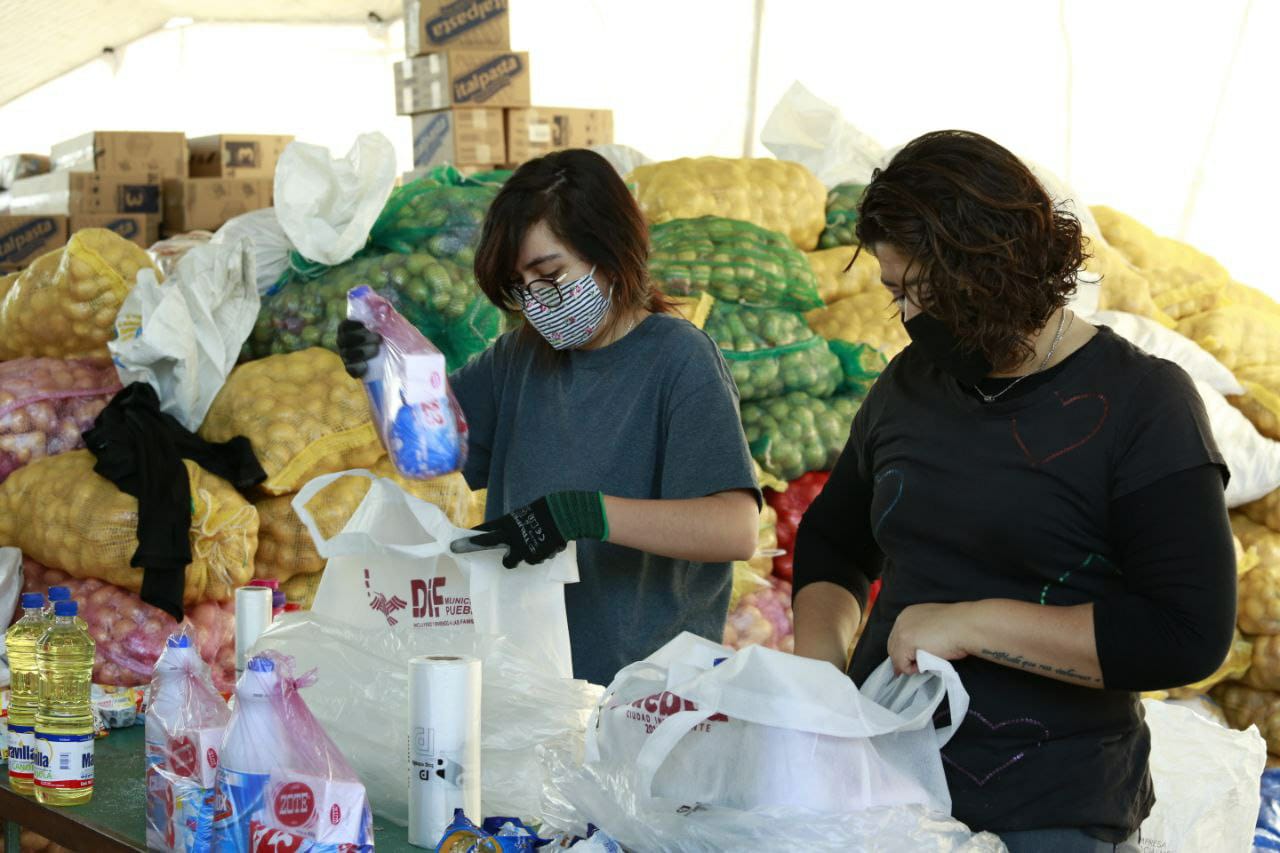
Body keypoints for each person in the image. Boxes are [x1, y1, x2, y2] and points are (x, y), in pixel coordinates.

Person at [791, 130, 1236, 852]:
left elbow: (1186, 634)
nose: (906, 317)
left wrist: (971, 624)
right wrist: (817, 675)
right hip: (878, 789)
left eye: (919, 292)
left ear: (991, 273)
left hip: (1049, 806)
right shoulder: (908, 387)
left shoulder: (1144, 403)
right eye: (893, 293)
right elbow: (836, 539)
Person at [339, 149, 761, 686]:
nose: (538, 301)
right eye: (523, 288)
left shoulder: (679, 359)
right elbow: (425, 452)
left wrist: (581, 515)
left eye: (551, 274)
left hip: (644, 690)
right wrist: (382, 374)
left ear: (609, 250)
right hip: (532, 682)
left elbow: (734, 528)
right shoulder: (519, 357)